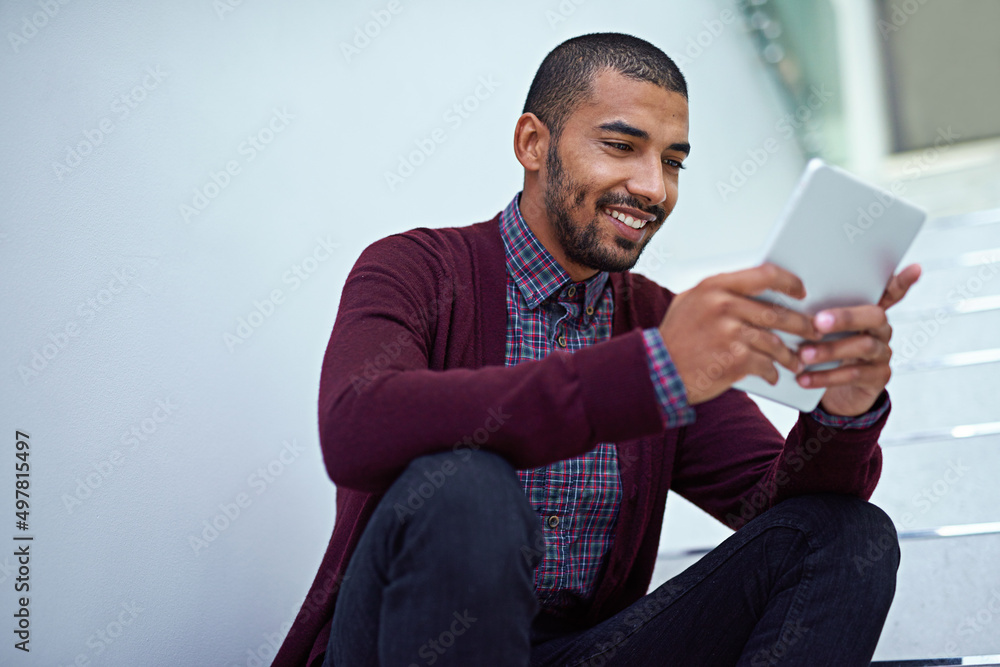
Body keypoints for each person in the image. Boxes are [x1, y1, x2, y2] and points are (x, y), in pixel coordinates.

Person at [273, 32, 921, 667]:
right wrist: (647, 374)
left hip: (580, 648)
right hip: (394, 638)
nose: (653, 188)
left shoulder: (657, 323)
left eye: (672, 161)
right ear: (533, 143)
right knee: (468, 484)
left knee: (846, 535)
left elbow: (779, 512)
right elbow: (356, 425)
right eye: (621, 146)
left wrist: (842, 408)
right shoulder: (415, 267)